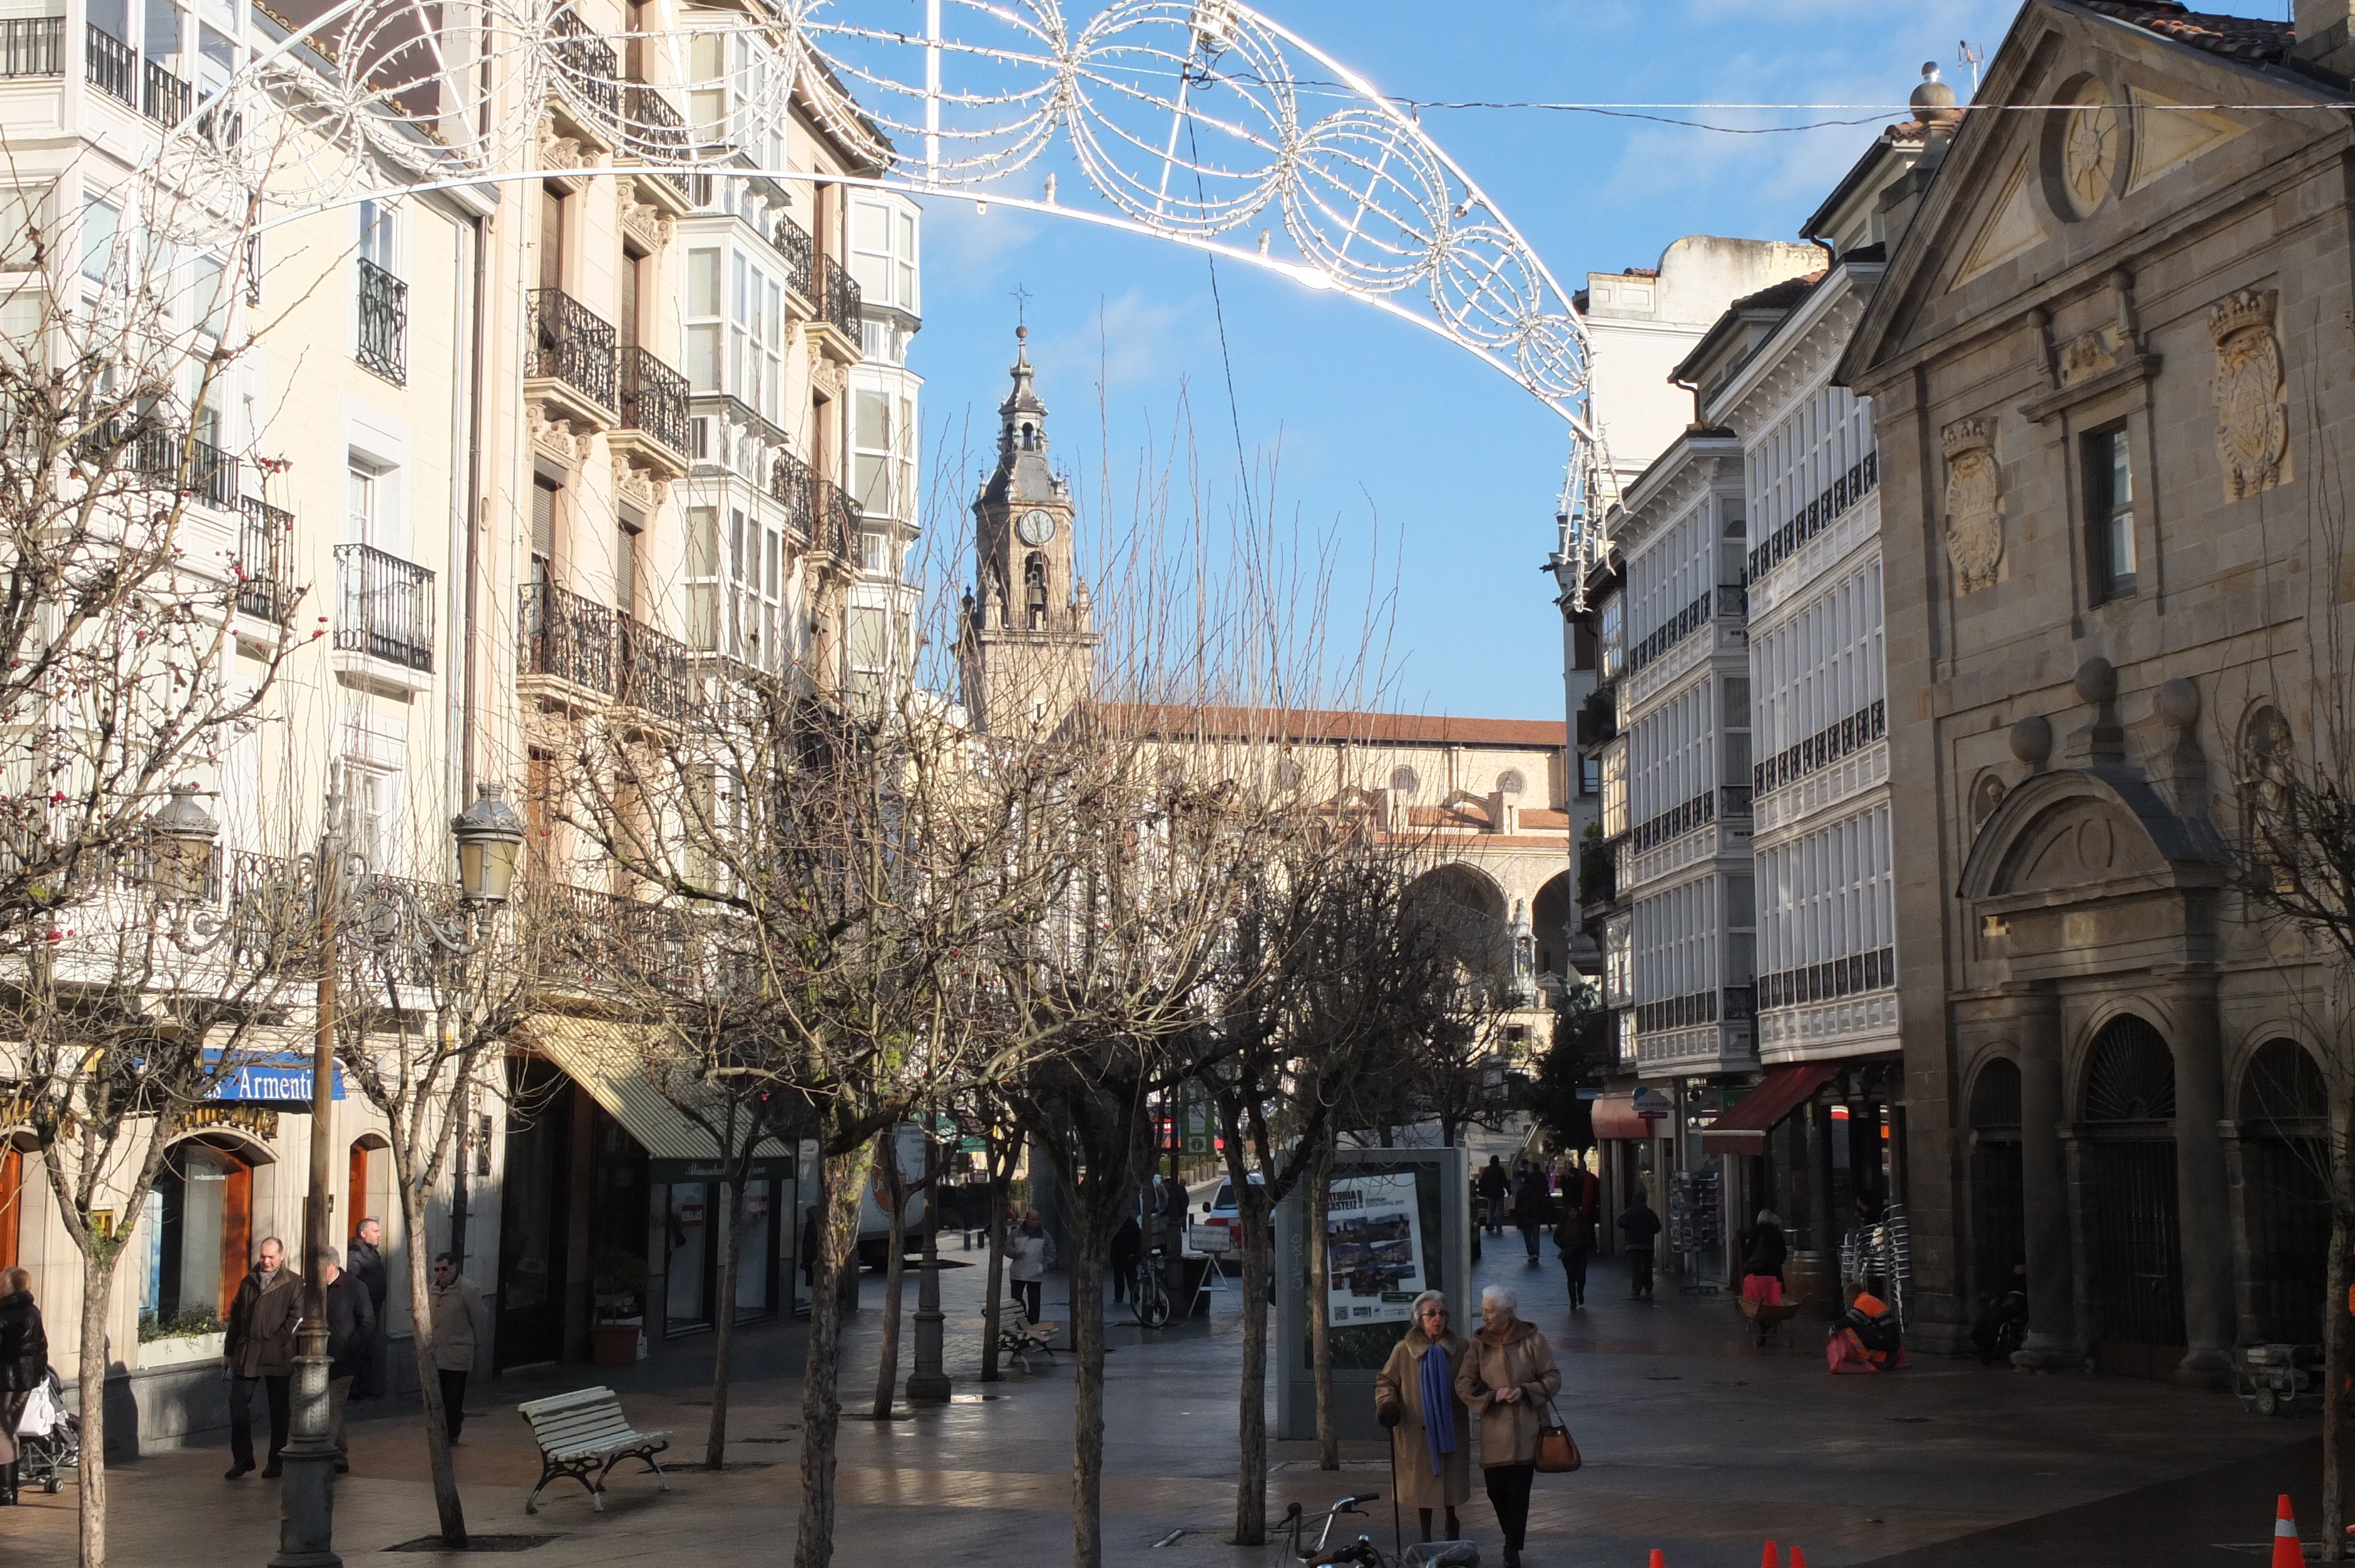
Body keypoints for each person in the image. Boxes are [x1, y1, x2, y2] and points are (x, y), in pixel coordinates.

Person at [1454, 1284, 1563, 1568]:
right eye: (1483, 1310)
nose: (1484, 1317)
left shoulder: (1533, 1340)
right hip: (1494, 1433)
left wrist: (1526, 1391)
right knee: (1495, 1491)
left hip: (1528, 1430)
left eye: (1490, 1311)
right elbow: (1463, 1384)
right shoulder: (1478, 1344)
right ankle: (1510, 1535)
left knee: (1519, 1494)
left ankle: (1512, 1548)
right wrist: (1492, 1396)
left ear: (1508, 1313)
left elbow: (1553, 1378)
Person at [1375, 1290, 1472, 1544]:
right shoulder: (1404, 1350)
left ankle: (1452, 1522)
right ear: (1420, 1319)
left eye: (1442, 1313)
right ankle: (1425, 1536)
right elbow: (1386, 1382)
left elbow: (1473, 1377)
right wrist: (1388, 1404)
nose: (1438, 1319)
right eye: (1432, 1314)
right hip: (1416, 1430)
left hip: (1451, 1426)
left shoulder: (1461, 1347)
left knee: (1450, 1482)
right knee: (1423, 1488)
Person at [224, 1237, 303, 1479]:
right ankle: (243, 1459)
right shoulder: (249, 1281)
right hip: (247, 1354)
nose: (266, 1261)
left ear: (281, 1256)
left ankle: (276, 1461)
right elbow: (236, 1318)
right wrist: (229, 1351)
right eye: (263, 1256)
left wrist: (277, 1341)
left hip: (277, 1355)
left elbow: (296, 1319)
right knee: (237, 1405)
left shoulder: (293, 1282)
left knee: (278, 1410)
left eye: (271, 1257)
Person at [319, 1247, 376, 1472]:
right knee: (332, 1409)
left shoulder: (355, 1288)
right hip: (316, 1360)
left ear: (332, 1266)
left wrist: (350, 1347)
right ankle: (340, 1455)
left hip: (343, 1362)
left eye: (319, 1268)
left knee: (332, 1407)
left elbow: (367, 1323)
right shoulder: (313, 1288)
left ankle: (323, 1454)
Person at [428, 1252, 489, 1443]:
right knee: (437, 1398)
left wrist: (475, 1344)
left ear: (454, 1267)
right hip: (436, 1352)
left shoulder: (468, 1290)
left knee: (452, 1398)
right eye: (437, 1270)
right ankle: (442, 1430)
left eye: (444, 1269)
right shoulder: (432, 1289)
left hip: (457, 1353)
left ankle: (452, 1433)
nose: (441, 1274)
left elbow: (480, 1319)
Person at [0, 1266, 47, 1506]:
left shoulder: (5, 1313)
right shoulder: (33, 1311)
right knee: (10, 1430)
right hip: (26, 1381)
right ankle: (11, 1490)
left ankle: (5, 1491)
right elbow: (42, 1348)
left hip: (5, 1380)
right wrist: (37, 1375)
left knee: (3, 1432)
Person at [346, 1217, 390, 1400]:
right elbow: (352, 1282)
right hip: (364, 1312)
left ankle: (366, 1387)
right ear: (363, 1234)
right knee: (361, 1349)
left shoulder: (370, 1252)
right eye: (376, 1231)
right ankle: (355, 1389)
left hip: (373, 1308)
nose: (380, 1235)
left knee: (370, 1348)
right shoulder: (357, 1253)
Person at [1007, 1208, 1054, 1325]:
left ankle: (1033, 1325)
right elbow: (1007, 1247)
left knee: (1034, 1302)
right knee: (1016, 1301)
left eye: (1038, 1219)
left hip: (1035, 1274)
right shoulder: (1016, 1233)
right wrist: (1014, 1253)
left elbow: (1052, 1253)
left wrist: (1043, 1267)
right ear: (1027, 1220)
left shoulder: (1045, 1236)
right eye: (1033, 1219)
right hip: (1017, 1273)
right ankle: (1022, 1322)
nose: (1036, 1222)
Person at [1617, 1188, 1663, 1300]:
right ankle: (1648, 1288)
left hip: (1633, 1244)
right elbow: (1658, 1227)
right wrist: (1650, 1232)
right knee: (1647, 1267)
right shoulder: (1650, 1213)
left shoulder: (1629, 1212)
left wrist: (1628, 1227)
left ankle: (1637, 1289)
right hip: (1647, 1244)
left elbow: (1619, 1222)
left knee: (1636, 1267)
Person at [1553, 1197, 1593, 1310]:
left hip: (1581, 1253)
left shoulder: (1583, 1222)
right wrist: (1563, 1245)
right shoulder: (1563, 1224)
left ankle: (1580, 1293)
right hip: (1568, 1254)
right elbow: (1556, 1237)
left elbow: (1588, 1236)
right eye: (1571, 1211)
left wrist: (1588, 1246)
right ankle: (1573, 1301)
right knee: (1571, 1278)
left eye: (1574, 1211)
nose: (1573, 1214)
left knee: (1581, 1277)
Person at [1742, 1210, 1788, 1307]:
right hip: (1773, 1272)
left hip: (1756, 1272)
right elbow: (1783, 1254)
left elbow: (1748, 1253)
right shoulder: (1777, 1233)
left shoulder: (1754, 1233)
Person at [1512, 1164, 1553, 1265]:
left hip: (1525, 1217)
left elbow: (1518, 1206)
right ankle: (1536, 1254)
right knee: (1535, 1236)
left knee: (1527, 1236)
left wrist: (1518, 1219)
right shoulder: (1537, 1192)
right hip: (1535, 1216)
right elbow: (1541, 1204)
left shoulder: (1521, 1193)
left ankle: (1531, 1253)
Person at [1109, 1206, 1143, 1305]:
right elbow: (1138, 1237)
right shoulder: (1132, 1223)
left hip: (1118, 1255)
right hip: (1130, 1255)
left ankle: (1119, 1297)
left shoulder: (1115, 1225)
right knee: (1132, 1277)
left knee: (1119, 1278)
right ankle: (1135, 1296)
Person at [1477, 1157, 1509, 1236]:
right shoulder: (1500, 1170)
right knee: (1500, 1210)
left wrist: (1481, 1191)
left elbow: (1483, 1181)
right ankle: (1499, 1224)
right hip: (1499, 1193)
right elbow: (1505, 1181)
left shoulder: (1487, 1170)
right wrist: (1509, 1191)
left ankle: (1489, 1223)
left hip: (1490, 1194)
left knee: (1491, 1209)